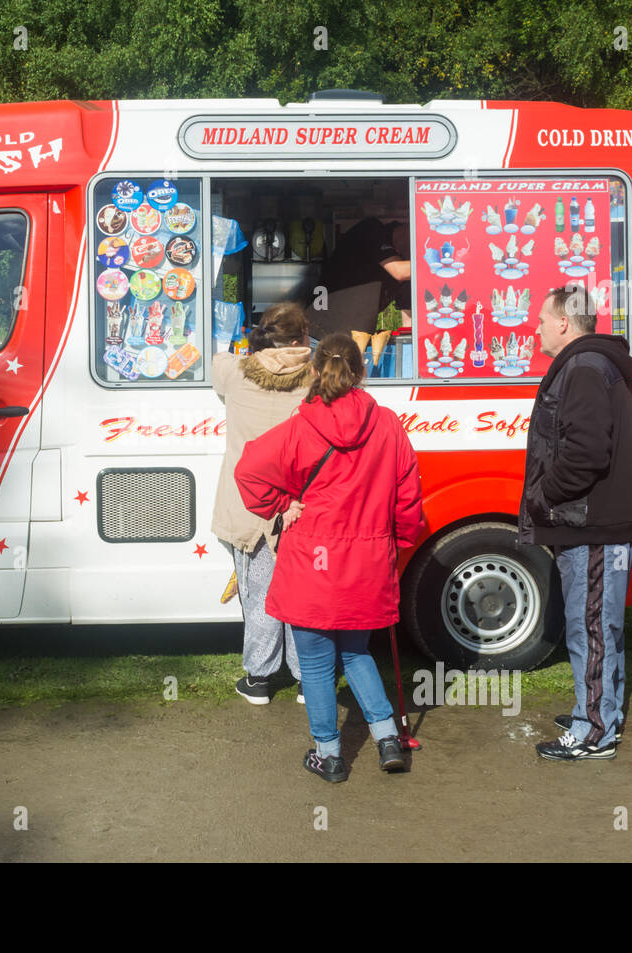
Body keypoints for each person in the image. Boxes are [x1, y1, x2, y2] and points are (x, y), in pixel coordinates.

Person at [234, 333, 425, 781]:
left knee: (317, 664)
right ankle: (387, 739)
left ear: (314, 372)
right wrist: (397, 544)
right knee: (357, 655)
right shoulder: (389, 425)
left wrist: (281, 504)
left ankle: (329, 754)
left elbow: (248, 471)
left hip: (312, 564)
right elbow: (408, 498)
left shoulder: (301, 428)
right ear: (361, 372)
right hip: (367, 562)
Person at [520, 286, 632, 762]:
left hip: (593, 526)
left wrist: (544, 493)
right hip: (597, 522)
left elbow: (587, 453)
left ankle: (594, 731)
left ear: (563, 323)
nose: (535, 328)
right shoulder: (601, 364)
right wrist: (618, 475)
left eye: (540, 319)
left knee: (590, 628)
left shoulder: (583, 368)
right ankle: (598, 710)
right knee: (598, 626)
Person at [211, 301, 313, 705]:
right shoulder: (317, 375)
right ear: (300, 337)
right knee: (304, 594)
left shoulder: (235, 373)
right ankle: (310, 679)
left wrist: (231, 337)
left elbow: (217, 359)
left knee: (259, 594)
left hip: (249, 503)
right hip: (299, 505)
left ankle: (260, 680)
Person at [307, 218, 412, 337]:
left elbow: (408, 317)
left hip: (349, 339)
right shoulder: (371, 229)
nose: (416, 250)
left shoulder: (407, 262)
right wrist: (435, 262)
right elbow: (399, 271)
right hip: (320, 332)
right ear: (407, 228)